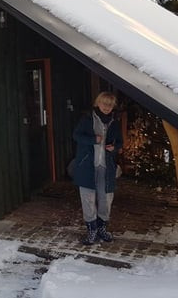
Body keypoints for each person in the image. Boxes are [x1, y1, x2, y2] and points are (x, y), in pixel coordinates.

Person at [71, 91, 123, 244]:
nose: (106, 107)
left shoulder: (115, 122)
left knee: (106, 198)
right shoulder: (87, 119)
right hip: (87, 165)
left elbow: (119, 143)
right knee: (87, 198)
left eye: (110, 104)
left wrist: (113, 148)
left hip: (106, 167)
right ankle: (91, 230)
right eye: (104, 103)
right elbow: (76, 135)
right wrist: (93, 139)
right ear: (98, 103)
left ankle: (102, 228)